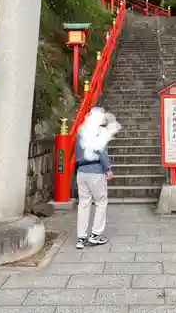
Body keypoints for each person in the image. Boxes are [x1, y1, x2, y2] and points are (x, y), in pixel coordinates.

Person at [75, 106, 121, 249]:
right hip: (95, 170)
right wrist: (108, 169)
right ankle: (96, 234)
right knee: (101, 201)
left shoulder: (80, 131)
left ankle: (81, 237)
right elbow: (102, 153)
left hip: (81, 171)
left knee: (83, 203)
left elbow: (77, 151)